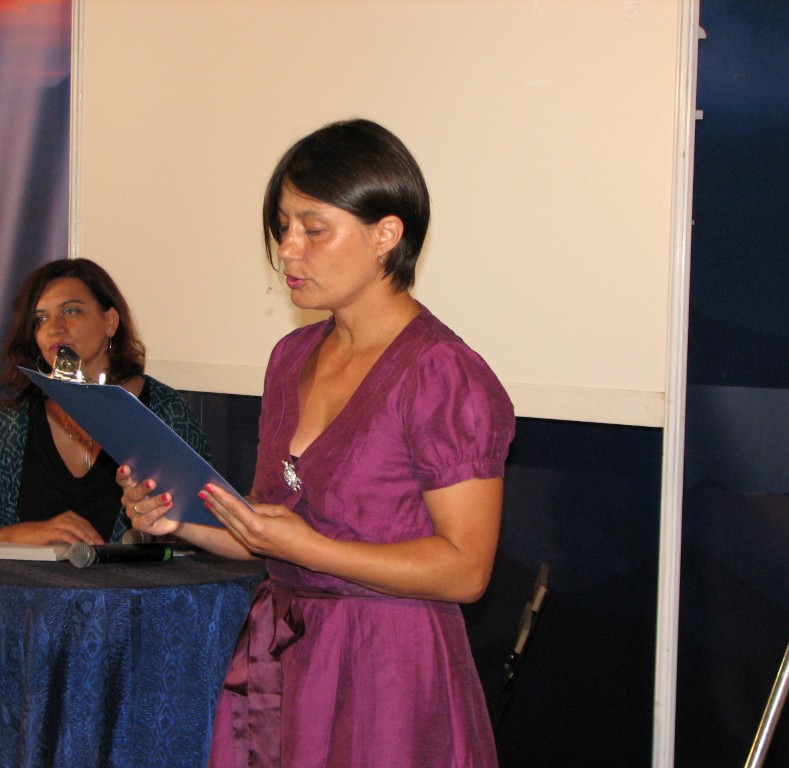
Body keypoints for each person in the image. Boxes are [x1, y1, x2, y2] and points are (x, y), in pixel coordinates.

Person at [118, 119, 515, 767]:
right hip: (286, 662)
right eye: (282, 227)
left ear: (387, 234)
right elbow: (268, 530)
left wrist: (312, 548)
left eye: (313, 228)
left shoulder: (442, 372)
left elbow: (466, 570)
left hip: (391, 673)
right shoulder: (291, 357)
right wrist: (177, 519)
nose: (288, 251)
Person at [0, 257, 210, 545]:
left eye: (70, 311)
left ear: (110, 322)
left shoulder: (165, 409)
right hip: (27, 576)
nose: (54, 328)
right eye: (40, 319)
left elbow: (204, 525)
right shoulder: (18, 413)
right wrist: (33, 533)